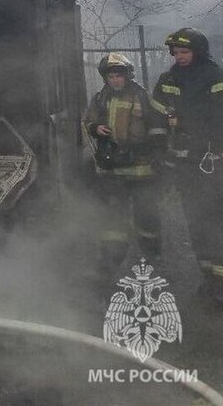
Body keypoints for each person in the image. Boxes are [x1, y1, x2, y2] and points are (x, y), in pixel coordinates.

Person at [152, 28, 223, 302]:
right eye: (176, 52)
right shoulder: (168, 79)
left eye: (185, 52)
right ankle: (209, 277)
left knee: (215, 219)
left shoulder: (215, 77)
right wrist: (159, 151)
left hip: (212, 163)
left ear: (199, 51)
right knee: (194, 220)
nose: (179, 56)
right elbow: (157, 120)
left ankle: (219, 282)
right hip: (184, 164)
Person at [82, 53, 167, 272]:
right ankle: (110, 260)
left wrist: (158, 154)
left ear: (127, 76)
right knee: (112, 217)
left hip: (141, 169)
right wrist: (96, 128)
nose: (115, 80)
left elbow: (157, 125)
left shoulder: (142, 97)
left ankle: (152, 257)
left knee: (146, 216)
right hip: (112, 170)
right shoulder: (100, 98)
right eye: (110, 76)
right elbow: (88, 120)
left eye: (118, 76)